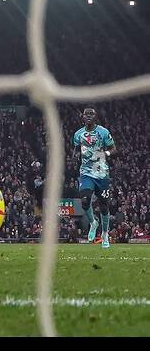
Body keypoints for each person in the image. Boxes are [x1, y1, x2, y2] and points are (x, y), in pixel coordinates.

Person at [74, 106, 115, 249]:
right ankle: (93, 222)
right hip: (86, 172)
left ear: (95, 117)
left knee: (104, 207)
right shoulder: (78, 134)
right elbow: (76, 149)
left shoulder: (103, 132)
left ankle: (104, 234)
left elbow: (113, 148)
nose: (89, 116)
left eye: (92, 114)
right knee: (84, 200)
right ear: (83, 117)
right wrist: (76, 155)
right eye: (87, 114)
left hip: (101, 172)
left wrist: (105, 154)